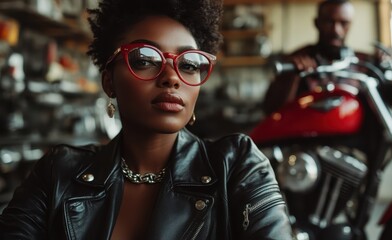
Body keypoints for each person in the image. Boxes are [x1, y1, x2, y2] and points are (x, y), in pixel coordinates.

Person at [0, 0, 294, 239]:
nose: (171, 77)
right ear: (109, 81)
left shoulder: (237, 167)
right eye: (144, 59)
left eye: (189, 64)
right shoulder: (58, 173)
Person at [263, 0, 372, 115]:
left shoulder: (362, 62)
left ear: (350, 25)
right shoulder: (297, 60)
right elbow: (272, 111)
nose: (336, 30)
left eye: (344, 23)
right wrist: (292, 77)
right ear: (317, 23)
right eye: (329, 22)